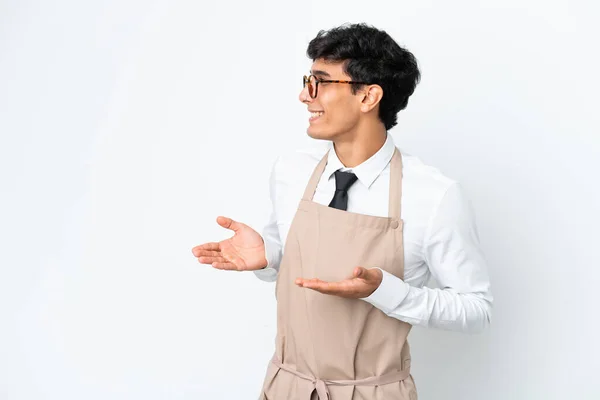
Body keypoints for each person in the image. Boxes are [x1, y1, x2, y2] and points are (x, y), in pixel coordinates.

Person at [192, 22, 493, 400]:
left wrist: (387, 292)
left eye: (320, 82)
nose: (305, 95)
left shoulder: (435, 195)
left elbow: (476, 309)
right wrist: (268, 257)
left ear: (369, 97)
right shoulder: (290, 171)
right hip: (285, 387)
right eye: (308, 80)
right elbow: (291, 263)